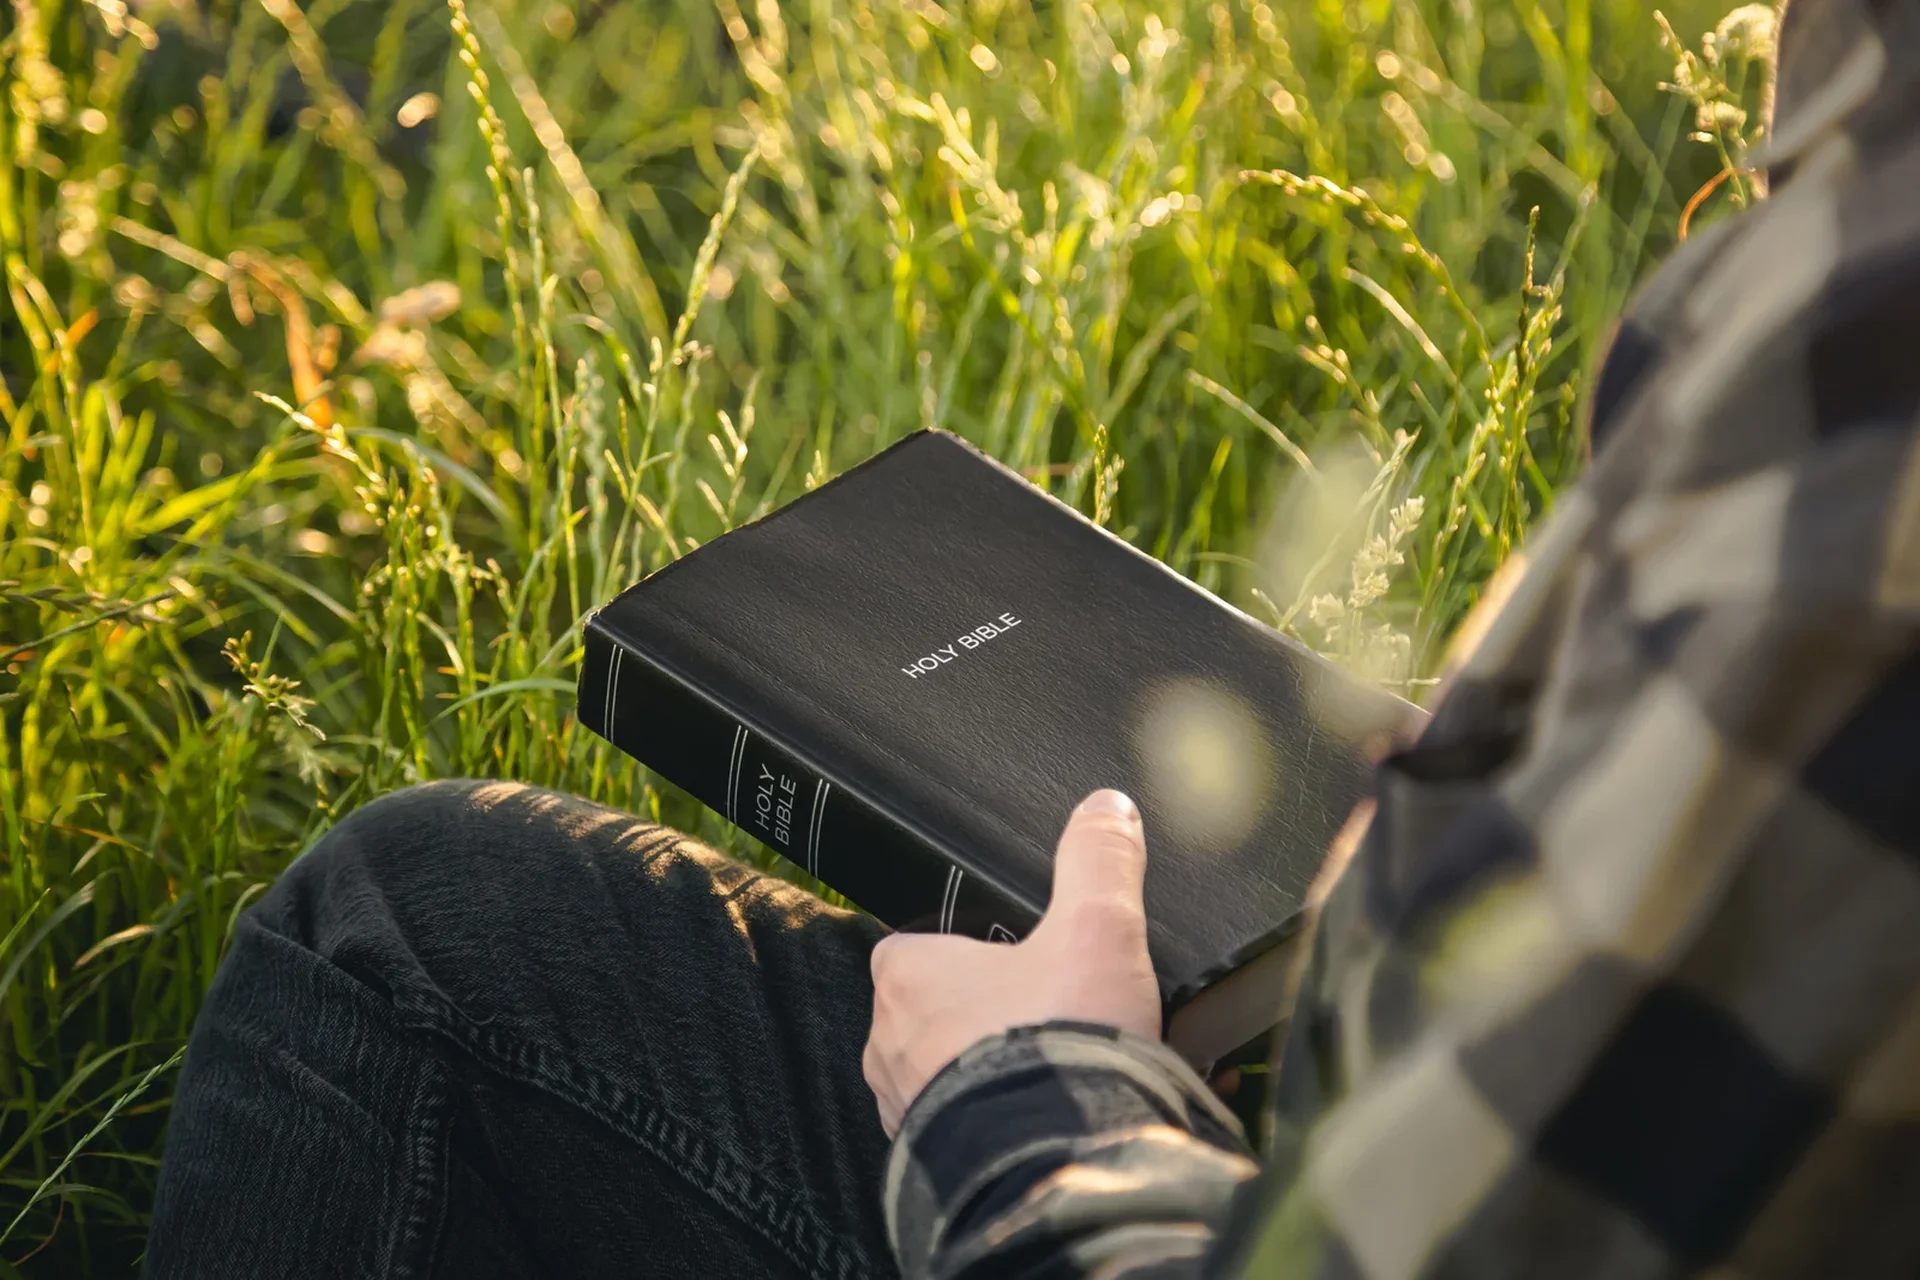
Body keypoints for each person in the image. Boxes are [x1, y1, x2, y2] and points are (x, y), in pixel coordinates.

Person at [145, 0, 1920, 1274]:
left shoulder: (1865, 396)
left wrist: (1029, 1093)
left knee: (394, 948)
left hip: (1200, 1191)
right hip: (1387, 1078)